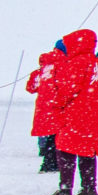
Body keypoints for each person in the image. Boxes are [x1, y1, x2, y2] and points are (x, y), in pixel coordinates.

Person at [40, 30, 98, 195]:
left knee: (66, 150)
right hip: (95, 116)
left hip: (76, 114)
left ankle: (65, 189)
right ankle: (89, 188)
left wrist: (56, 104)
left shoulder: (77, 63)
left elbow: (67, 89)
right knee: (88, 152)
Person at [27, 41, 63, 173]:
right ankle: (52, 162)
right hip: (57, 105)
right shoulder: (63, 64)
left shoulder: (44, 67)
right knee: (57, 134)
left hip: (43, 106)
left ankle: (46, 155)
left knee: (48, 132)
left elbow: (31, 87)